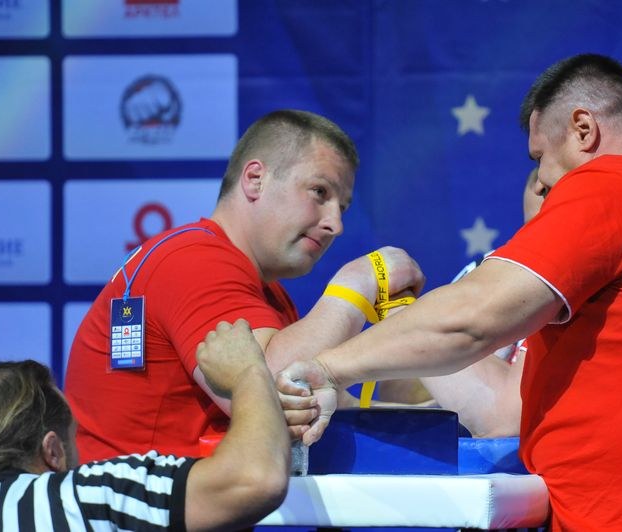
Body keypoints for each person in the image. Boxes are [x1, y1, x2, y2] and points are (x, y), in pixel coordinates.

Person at [278, 54, 622, 530]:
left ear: (584, 130)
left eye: (540, 158)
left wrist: (328, 368)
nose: (542, 181)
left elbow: (471, 319)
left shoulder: (617, 185)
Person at [64, 109, 424, 462]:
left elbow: (317, 402)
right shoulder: (193, 260)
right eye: (319, 192)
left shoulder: (265, 290)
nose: (335, 224)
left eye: (341, 208)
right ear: (255, 180)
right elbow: (268, 390)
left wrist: (433, 415)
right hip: (136, 517)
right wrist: (357, 283)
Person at [0, 320, 289, 531]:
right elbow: (254, 479)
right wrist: (248, 372)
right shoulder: (86, 494)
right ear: (53, 452)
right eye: (75, 439)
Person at [378, 167, 546, 437]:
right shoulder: (487, 269)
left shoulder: (590, 281)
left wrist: (400, 311)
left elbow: (505, 422)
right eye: (544, 186)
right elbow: (400, 387)